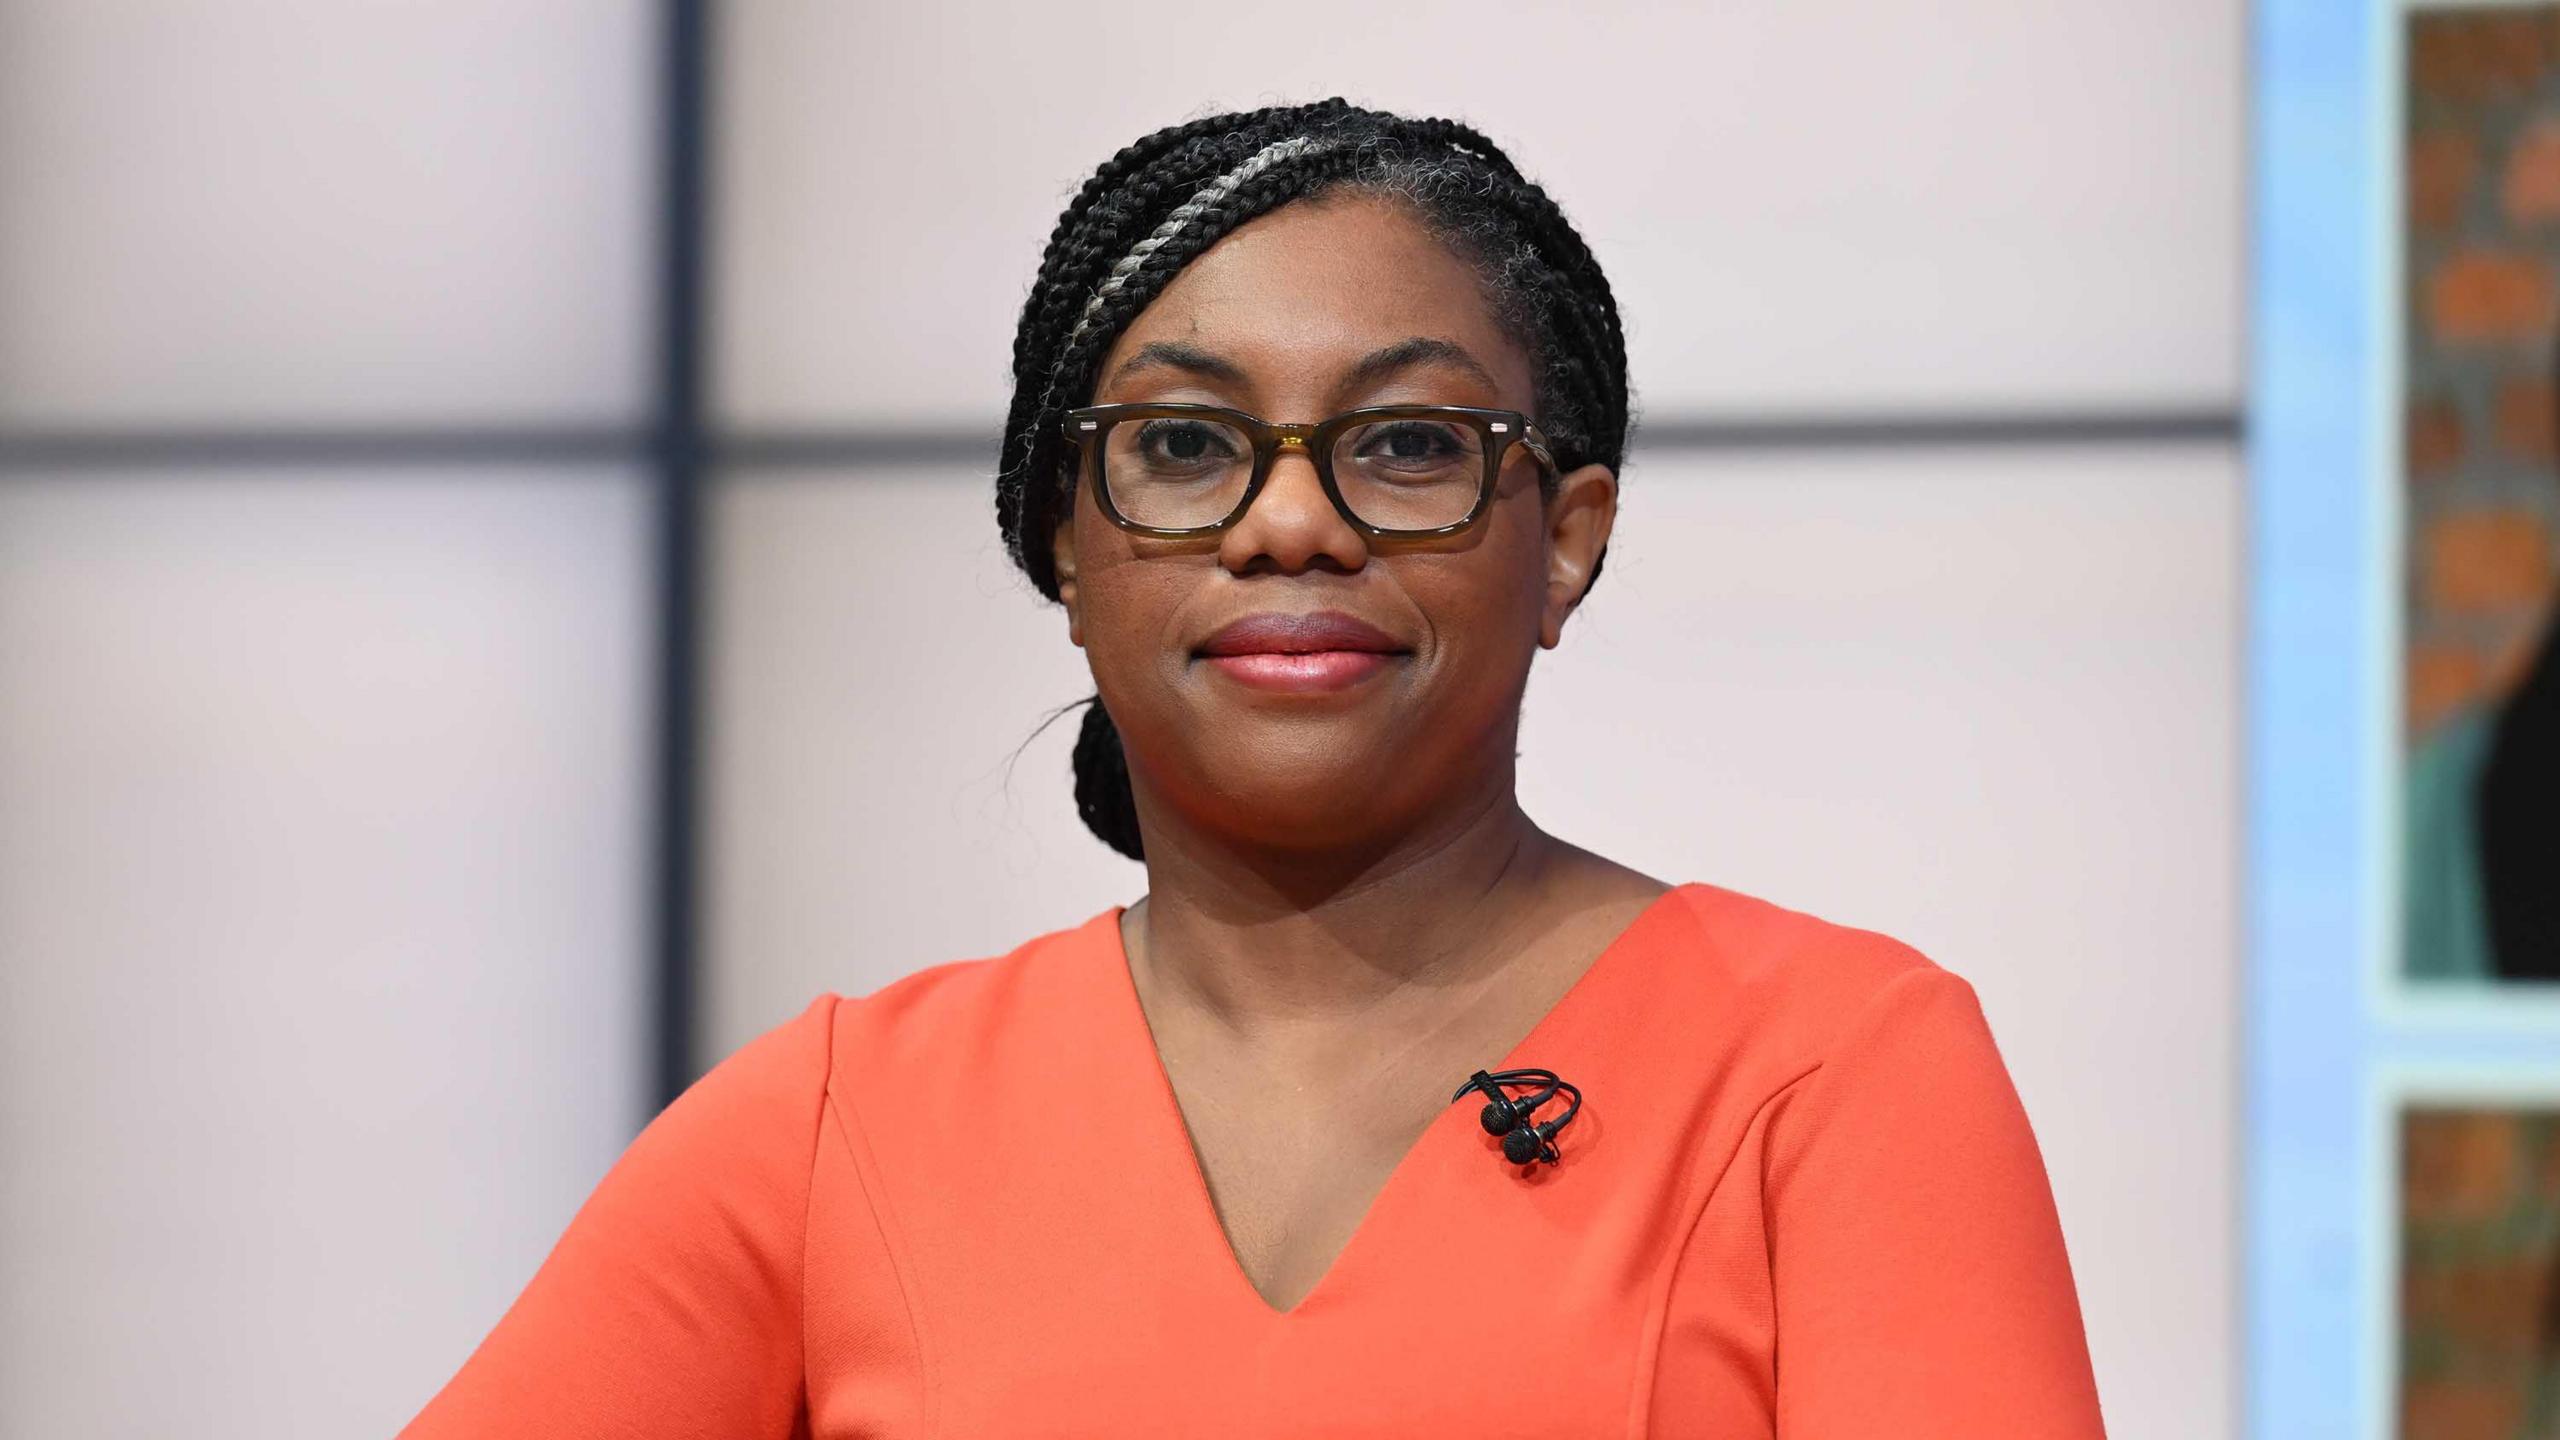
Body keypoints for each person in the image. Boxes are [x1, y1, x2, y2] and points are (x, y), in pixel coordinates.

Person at [402, 99, 2105, 1437]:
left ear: (1566, 542)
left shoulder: (1836, 1073)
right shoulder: (832, 1122)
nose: (1292, 520)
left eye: (1413, 445)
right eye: (1186, 446)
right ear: (1064, 543)